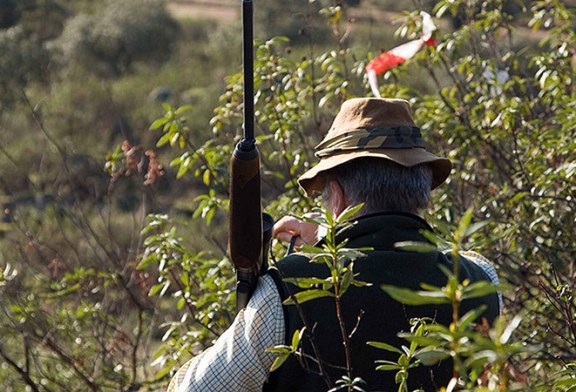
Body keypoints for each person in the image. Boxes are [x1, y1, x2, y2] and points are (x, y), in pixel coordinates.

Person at [167, 97, 501, 392]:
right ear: (422, 190)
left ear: (337, 197)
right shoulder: (481, 280)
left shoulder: (286, 292)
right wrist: (332, 242)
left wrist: (320, 254)